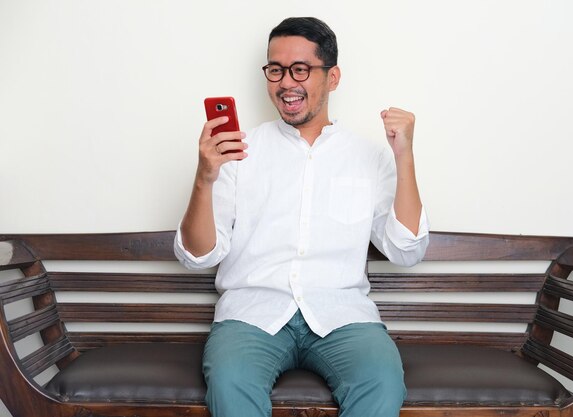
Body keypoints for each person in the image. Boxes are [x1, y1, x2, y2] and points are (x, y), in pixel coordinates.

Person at [174, 16, 429, 417]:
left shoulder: (368, 157)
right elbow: (198, 256)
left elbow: (406, 249)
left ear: (333, 77)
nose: (286, 83)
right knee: (231, 381)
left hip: (342, 315)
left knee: (380, 380)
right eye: (276, 70)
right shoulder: (238, 152)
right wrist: (205, 178)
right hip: (251, 315)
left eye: (301, 70)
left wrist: (404, 157)